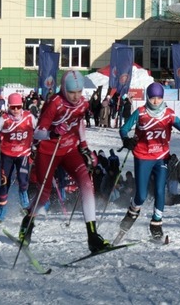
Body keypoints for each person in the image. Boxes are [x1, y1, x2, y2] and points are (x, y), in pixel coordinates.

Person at [19, 70, 109, 253]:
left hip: (69, 148)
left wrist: (84, 147)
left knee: (86, 182)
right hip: (48, 150)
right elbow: (37, 132)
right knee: (44, 193)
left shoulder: (83, 103)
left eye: (79, 92)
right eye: (71, 92)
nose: (76, 97)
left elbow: (79, 124)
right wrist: (53, 132)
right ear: (63, 89)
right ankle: (28, 221)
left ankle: (92, 236)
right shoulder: (54, 103)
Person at [117, 82, 180, 242]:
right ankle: (131, 213)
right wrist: (126, 140)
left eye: (159, 98)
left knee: (160, 191)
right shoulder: (141, 112)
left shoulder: (168, 114)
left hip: (161, 157)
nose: (156, 101)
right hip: (143, 157)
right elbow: (124, 129)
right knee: (142, 195)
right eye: (153, 98)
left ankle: (156, 224)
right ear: (148, 98)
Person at [0, 93, 36, 229]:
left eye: (18, 107)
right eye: (13, 107)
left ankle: (25, 205)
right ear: (9, 107)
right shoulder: (4, 119)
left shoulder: (29, 117)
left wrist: (38, 144)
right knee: (4, 183)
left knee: (23, 180)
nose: (16, 110)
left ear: (22, 105)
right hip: (7, 155)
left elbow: (41, 130)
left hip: (23, 154)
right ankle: (1, 213)